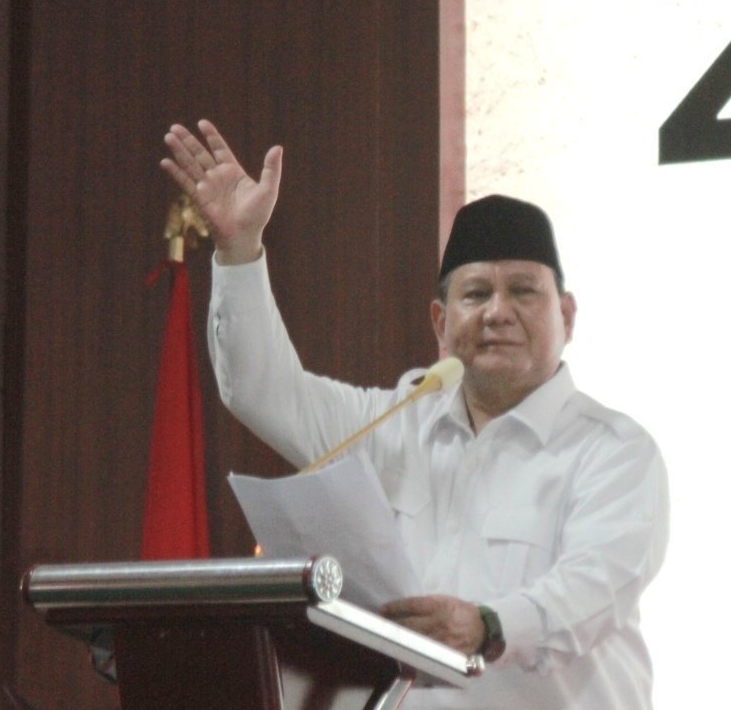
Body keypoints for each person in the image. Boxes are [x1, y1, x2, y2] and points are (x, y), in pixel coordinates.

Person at [160, 120, 668, 709]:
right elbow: (262, 391)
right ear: (440, 323)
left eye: (523, 291)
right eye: (475, 294)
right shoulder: (397, 423)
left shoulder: (614, 451)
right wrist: (239, 249)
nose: (497, 312)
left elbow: (592, 590)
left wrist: (487, 626)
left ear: (568, 317)